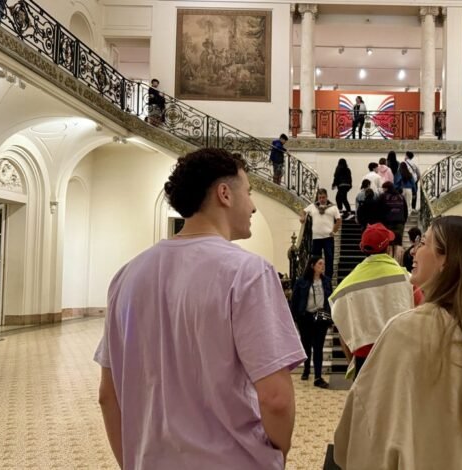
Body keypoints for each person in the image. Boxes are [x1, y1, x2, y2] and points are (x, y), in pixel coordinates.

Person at [94, 148, 306, 469]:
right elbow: (275, 399)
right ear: (224, 194)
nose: (252, 205)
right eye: (248, 192)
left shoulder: (127, 276)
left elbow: (108, 396)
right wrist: (277, 454)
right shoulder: (248, 272)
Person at [333, 216, 462, 469]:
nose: (414, 250)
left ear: (445, 260)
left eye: (423, 243)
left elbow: (361, 427)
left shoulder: (407, 331)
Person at [330, 223, 414, 379]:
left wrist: (352, 361)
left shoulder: (347, 285)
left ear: (362, 248)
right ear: (388, 248)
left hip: (364, 359)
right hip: (398, 357)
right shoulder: (406, 278)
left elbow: (340, 327)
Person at [290, 257, 332, 389]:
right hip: (306, 317)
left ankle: (318, 377)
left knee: (318, 347)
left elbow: (329, 299)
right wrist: (295, 318)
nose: (323, 266)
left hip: (320, 318)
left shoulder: (326, 281)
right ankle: (306, 369)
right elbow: (295, 301)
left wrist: (329, 316)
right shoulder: (302, 282)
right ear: (312, 265)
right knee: (306, 345)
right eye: (320, 263)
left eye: (324, 264)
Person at [300, 189, 341, 279]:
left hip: (328, 237)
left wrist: (334, 231)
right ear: (318, 197)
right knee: (315, 259)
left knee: (329, 258)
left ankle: (328, 278)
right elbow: (303, 211)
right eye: (320, 197)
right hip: (316, 238)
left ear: (326, 197)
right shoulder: (313, 206)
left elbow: (338, 220)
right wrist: (302, 217)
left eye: (323, 197)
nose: (322, 199)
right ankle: (316, 275)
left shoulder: (333, 207)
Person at [378, 181, 408, 249]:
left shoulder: (383, 196)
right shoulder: (401, 197)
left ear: (386, 188)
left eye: (383, 189)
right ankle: (399, 257)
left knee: (388, 241)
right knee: (399, 241)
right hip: (400, 222)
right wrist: (403, 221)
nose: (383, 190)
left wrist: (381, 222)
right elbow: (405, 210)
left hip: (388, 223)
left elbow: (379, 210)